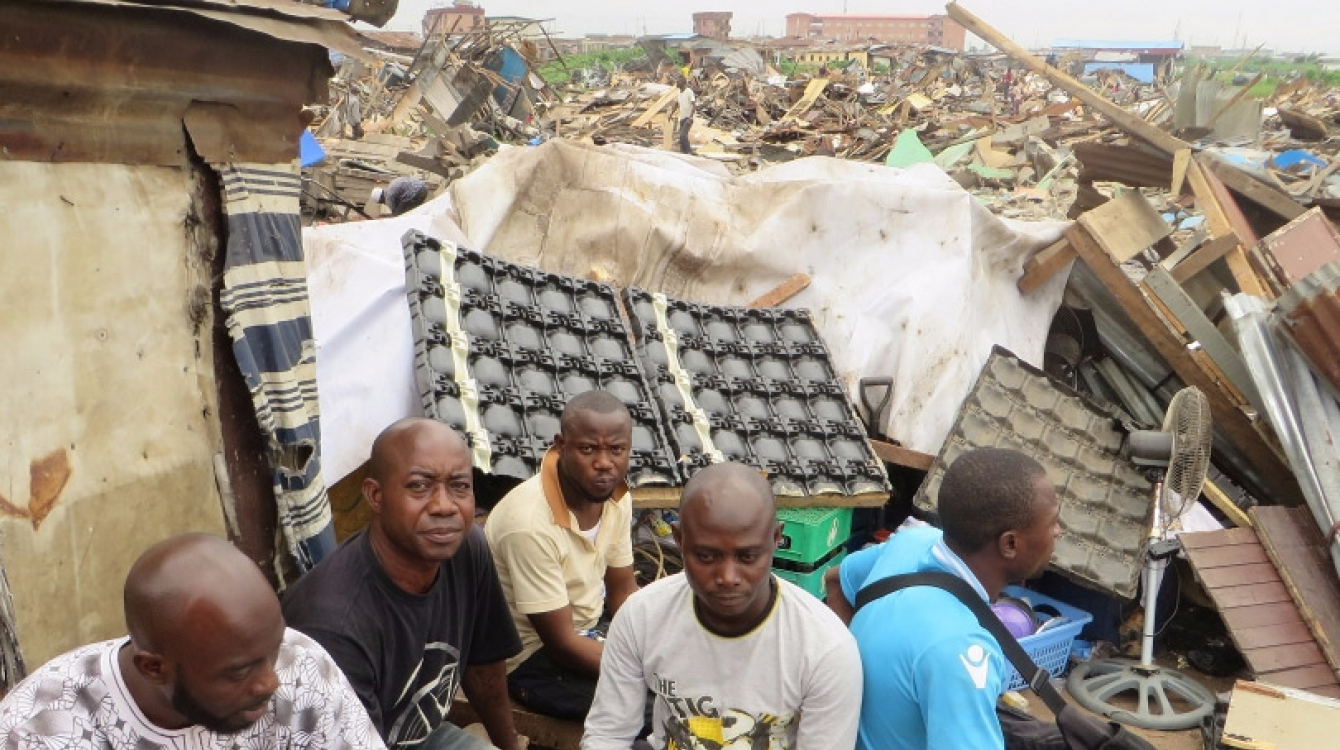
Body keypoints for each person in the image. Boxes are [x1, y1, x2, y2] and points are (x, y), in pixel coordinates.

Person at [0, 534, 384, 750]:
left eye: (272, 649)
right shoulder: (41, 731)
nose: (270, 682)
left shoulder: (301, 666)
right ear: (153, 668)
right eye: (237, 673)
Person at [583, 462, 863, 750]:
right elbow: (607, 736)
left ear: (776, 539)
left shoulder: (826, 649)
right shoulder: (641, 617)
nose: (727, 578)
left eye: (747, 557)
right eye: (706, 556)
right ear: (679, 540)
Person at [282, 418, 524, 750]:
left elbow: (485, 672)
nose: (444, 506)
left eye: (459, 486)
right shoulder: (334, 624)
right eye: (419, 486)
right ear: (375, 496)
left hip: (419, 734)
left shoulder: (467, 548)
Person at [825, 447, 1062, 750]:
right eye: (1052, 521)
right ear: (1010, 544)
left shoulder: (912, 542)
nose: (1058, 530)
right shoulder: (959, 649)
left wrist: (844, 682)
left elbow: (835, 580)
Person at [485, 391, 639, 721]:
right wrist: (643, 672)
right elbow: (562, 644)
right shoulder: (528, 523)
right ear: (561, 445)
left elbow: (623, 591)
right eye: (588, 449)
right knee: (649, 710)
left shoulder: (616, 497)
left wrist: (655, 648)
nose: (604, 463)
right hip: (533, 659)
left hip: (592, 629)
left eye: (616, 450)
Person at [673, 77, 696, 155]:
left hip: (688, 117)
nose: (676, 83)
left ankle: (689, 151)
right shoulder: (679, 92)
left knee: (683, 135)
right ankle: (683, 153)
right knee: (681, 136)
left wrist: (690, 117)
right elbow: (677, 104)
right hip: (682, 117)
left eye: (678, 82)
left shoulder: (689, 91)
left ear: (683, 83)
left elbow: (694, 105)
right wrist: (671, 114)